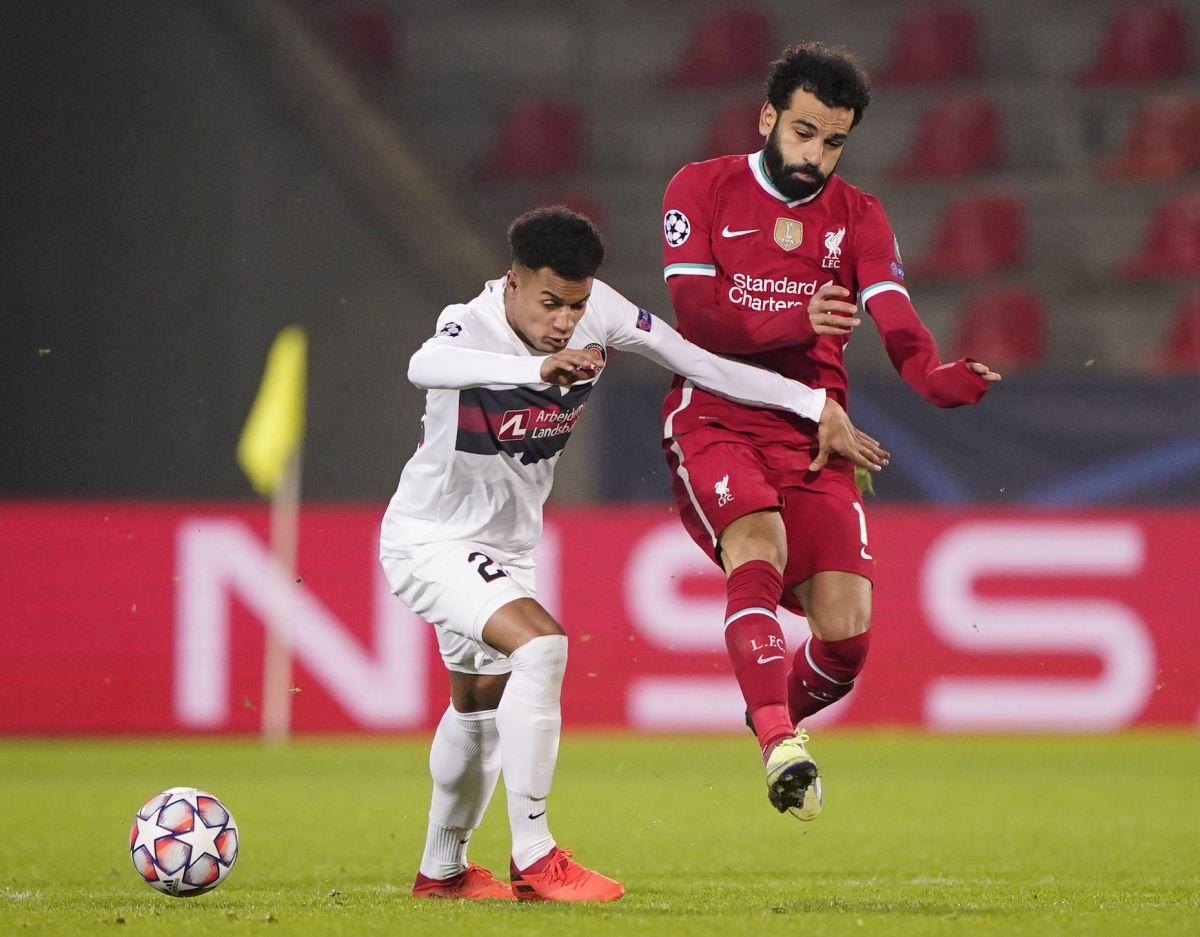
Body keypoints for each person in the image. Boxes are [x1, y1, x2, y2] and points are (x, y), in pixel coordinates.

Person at [379, 207, 885, 902]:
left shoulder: (601, 313)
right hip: (431, 537)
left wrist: (812, 402)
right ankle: (535, 854)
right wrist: (533, 367)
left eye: (576, 305)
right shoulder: (469, 323)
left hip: (506, 546)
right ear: (513, 284)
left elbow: (699, 363)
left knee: (476, 708)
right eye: (550, 302)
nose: (565, 321)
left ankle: (441, 871)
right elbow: (422, 364)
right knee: (543, 646)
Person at [659, 42, 1001, 821]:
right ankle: (781, 742)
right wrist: (795, 315)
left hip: (814, 430)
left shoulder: (860, 215)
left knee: (845, 639)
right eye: (804, 132)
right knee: (758, 541)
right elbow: (697, 319)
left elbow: (898, 322)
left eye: (834, 141)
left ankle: (766, 708)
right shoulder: (699, 187)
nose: (815, 155)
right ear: (768, 116)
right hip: (716, 412)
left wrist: (935, 377)